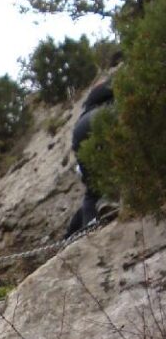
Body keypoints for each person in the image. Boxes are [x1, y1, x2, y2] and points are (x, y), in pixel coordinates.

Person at [64, 63, 122, 239]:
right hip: (105, 117)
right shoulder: (117, 83)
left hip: (80, 129)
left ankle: (90, 226)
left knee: (92, 191)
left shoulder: (92, 97)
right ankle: (112, 202)